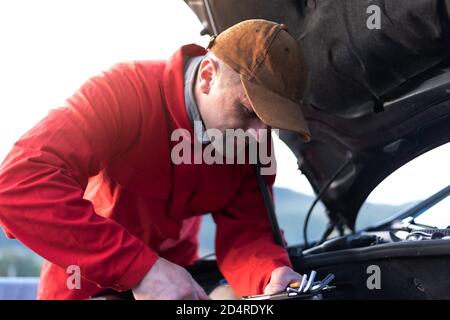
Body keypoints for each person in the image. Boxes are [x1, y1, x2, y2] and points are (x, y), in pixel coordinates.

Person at [0, 19, 310, 300]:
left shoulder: (250, 142)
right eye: (248, 112)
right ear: (207, 76)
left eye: (270, 124)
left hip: (180, 286)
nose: (258, 138)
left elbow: (248, 232)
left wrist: (269, 274)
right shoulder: (121, 93)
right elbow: (18, 184)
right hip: (83, 285)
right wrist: (141, 268)